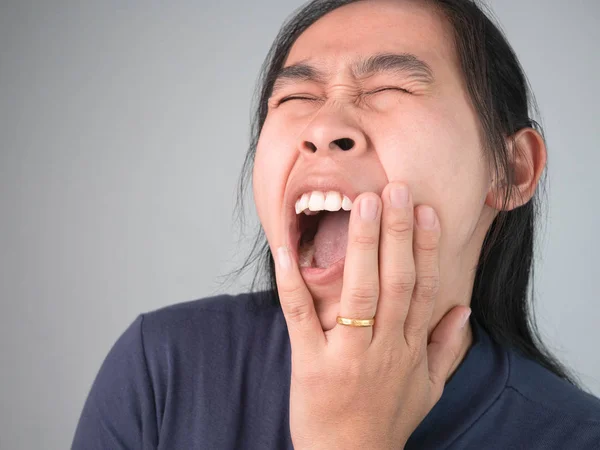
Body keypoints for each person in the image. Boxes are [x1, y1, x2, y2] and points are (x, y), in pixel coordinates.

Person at [72, 0, 600, 448]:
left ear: (511, 169)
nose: (324, 128)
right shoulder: (163, 369)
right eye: (297, 98)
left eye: (388, 88)